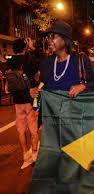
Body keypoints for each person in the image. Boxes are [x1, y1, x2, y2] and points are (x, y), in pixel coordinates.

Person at [30, 20, 94, 100]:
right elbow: (42, 90)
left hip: (76, 111)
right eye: (48, 37)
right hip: (52, 112)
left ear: (65, 39)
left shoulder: (80, 60)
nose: (49, 41)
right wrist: (35, 92)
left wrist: (83, 86)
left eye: (53, 36)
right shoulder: (46, 63)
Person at [7, 38, 39, 169]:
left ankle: (25, 154)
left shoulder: (9, 62)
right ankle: (35, 155)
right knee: (33, 130)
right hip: (29, 100)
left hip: (17, 101)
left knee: (21, 130)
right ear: (24, 48)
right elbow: (37, 74)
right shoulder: (28, 60)